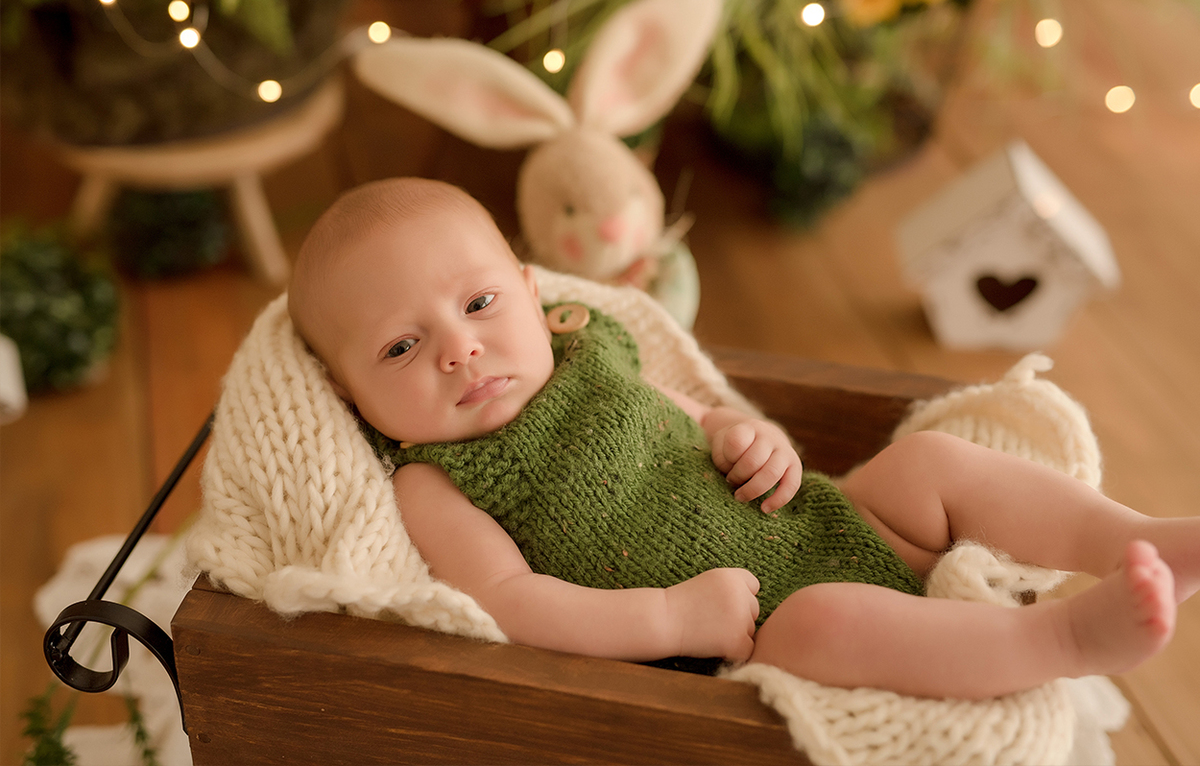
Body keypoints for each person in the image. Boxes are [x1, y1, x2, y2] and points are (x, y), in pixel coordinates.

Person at [287, 177, 1199, 701]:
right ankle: (1062, 642)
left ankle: (1133, 538)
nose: (460, 349)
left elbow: (696, 419)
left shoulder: (591, 351)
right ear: (347, 393)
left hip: (825, 518)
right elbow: (512, 602)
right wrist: (671, 618)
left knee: (928, 464)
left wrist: (747, 435)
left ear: (531, 292)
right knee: (824, 619)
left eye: (480, 302)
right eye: (401, 347)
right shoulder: (434, 480)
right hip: (761, 629)